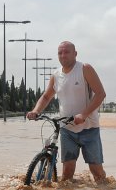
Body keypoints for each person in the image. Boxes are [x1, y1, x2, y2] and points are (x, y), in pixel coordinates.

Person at [26, 41, 107, 182]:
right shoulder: (56, 75)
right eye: (60, 52)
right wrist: (35, 111)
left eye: (66, 52)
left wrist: (84, 115)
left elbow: (100, 94)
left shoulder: (84, 69)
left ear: (75, 53)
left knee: (97, 173)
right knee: (67, 173)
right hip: (67, 128)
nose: (63, 55)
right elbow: (46, 96)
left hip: (89, 127)